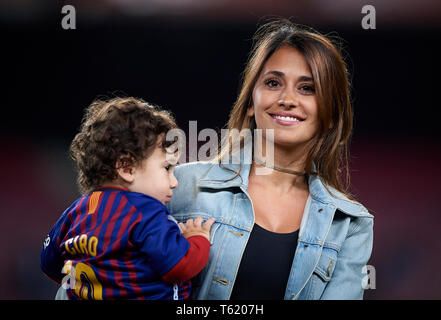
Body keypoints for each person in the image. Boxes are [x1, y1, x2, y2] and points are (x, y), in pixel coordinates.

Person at [167, 18, 374, 300]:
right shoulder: (180, 185)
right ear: (251, 101)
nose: (287, 99)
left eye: (307, 88)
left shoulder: (349, 223)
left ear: (331, 114)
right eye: (273, 83)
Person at [40, 97, 215, 300]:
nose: (174, 182)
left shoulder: (74, 212)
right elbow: (179, 266)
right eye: (167, 168)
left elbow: (49, 264)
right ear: (127, 168)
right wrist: (197, 239)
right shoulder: (145, 211)